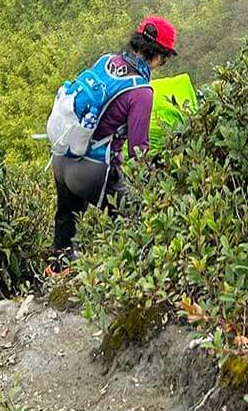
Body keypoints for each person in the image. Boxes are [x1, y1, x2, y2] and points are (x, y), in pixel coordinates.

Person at [50, 15, 177, 266]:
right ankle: (133, 275)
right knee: (138, 217)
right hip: (92, 172)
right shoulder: (141, 91)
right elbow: (139, 150)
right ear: (158, 55)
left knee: (66, 217)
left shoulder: (106, 59)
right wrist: (158, 182)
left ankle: (58, 269)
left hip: (62, 156)